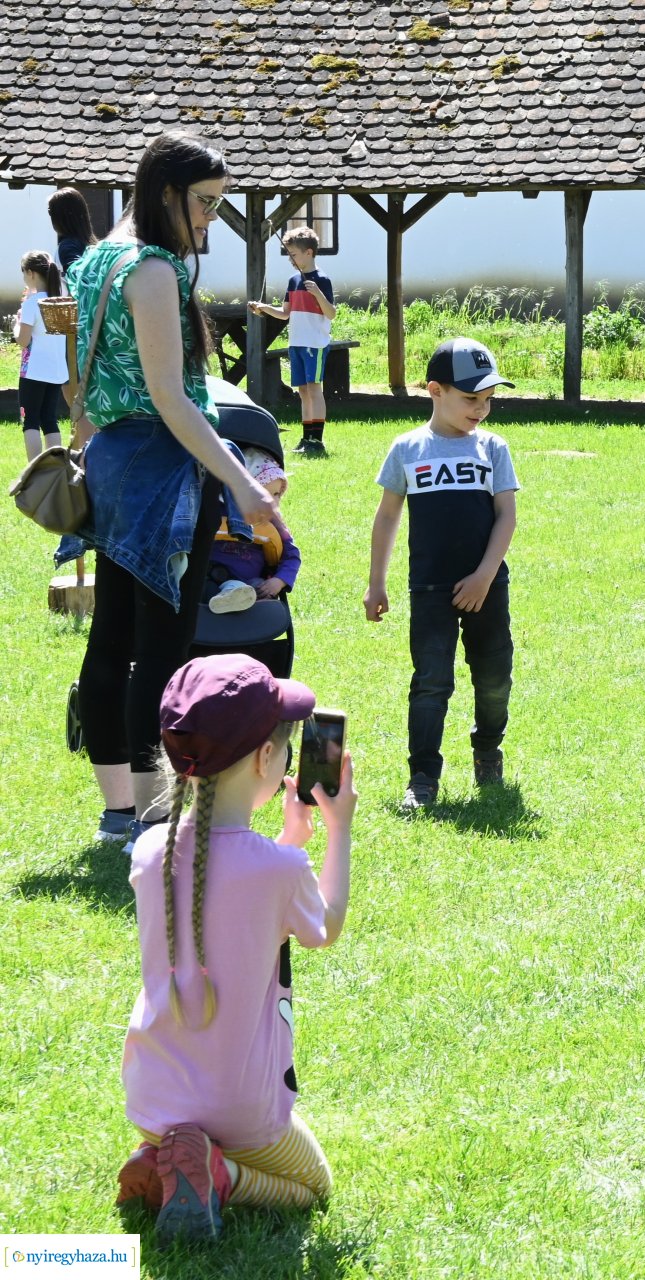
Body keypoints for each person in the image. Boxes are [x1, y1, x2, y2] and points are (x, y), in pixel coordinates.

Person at [61, 131, 278, 845]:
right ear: (165, 193)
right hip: (162, 466)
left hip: (116, 459)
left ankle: (118, 812)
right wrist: (241, 480)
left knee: (111, 637)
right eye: (205, 204)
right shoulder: (153, 269)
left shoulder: (97, 257)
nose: (211, 220)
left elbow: (87, 380)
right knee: (160, 646)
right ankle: (153, 815)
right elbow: (173, 398)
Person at [113, 654, 354, 1243]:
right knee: (312, 1187)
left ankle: (167, 1158)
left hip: (155, 1102)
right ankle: (221, 1171)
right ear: (266, 760)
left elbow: (221, 890)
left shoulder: (149, 853)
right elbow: (325, 926)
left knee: (189, 1130)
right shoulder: (279, 869)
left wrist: (291, 836)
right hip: (242, 1111)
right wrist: (338, 830)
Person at [365, 337, 519, 813]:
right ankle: (423, 777)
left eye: (488, 399)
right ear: (435, 390)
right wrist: (377, 582)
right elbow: (388, 515)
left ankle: (487, 748)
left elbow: (506, 517)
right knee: (431, 681)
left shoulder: (493, 448)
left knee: (494, 677)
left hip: (486, 586)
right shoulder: (408, 448)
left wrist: (483, 577)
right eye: (471, 398)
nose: (482, 409)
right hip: (429, 589)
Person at [246, 226, 335, 456]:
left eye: (294, 254)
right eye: (289, 255)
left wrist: (317, 294)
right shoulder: (293, 280)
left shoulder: (322, 280)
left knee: (315, 390)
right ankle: (306, 438)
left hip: (314, 344)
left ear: (309, 252)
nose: (291, 259)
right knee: (303, 392)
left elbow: (331, 313)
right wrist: (265, 308)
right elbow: (286, 313)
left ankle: (318, 439)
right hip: (296, 343)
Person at [207, 446, 300, 615]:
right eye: (266, 493)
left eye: (277, 494)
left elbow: (292, 555)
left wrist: (279, 581)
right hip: (211, 576)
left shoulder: (275, 526)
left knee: (259, 589)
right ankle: (230, 597)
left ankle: (240, 598)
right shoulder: (217, 512)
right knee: (202, 585)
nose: (273, 501)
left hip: (253, 585)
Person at [16, 249, 69, 460]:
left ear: (30, 273)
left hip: (34, 372)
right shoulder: (61, 302)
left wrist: (16, 324)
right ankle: (55, 470)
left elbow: (23, 340)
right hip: (56, 372)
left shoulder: (32, 303)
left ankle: (35, 473)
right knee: (49, 419)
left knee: (30, 421)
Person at [48, 186, 98, 273]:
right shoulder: (92, 245)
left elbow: (77, 275)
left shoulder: (68, 246)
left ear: (60, 216)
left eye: (50, 211)